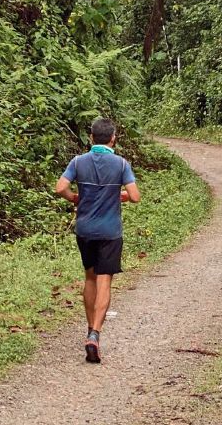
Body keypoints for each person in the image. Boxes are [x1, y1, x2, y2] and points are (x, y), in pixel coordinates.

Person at [56, 118, 141, 364]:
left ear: (91, 138)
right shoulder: (121, 164)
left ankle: (89, 328)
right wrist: (120, 194)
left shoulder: (78, 162)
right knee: (105, 280)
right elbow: (135, 196)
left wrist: (75, 198)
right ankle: (95, 333)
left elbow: (60, 187)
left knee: (90, 277)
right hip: (110, 232)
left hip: (85, 231)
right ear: (113, 138)